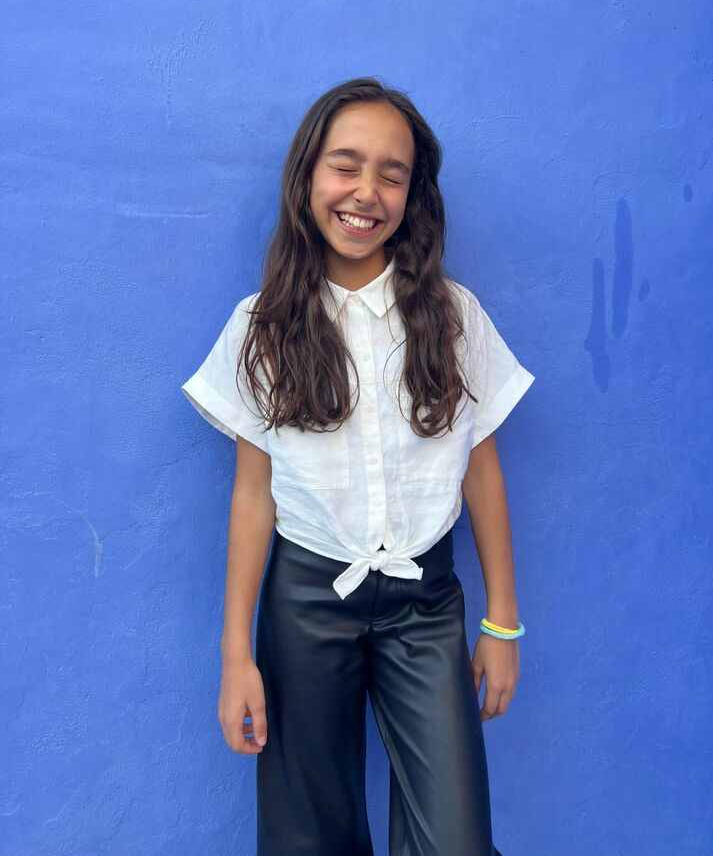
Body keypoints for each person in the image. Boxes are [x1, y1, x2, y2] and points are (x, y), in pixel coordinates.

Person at [180, 77, 535, 856]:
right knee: (309, 836)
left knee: (455, 840)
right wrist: (237, 655)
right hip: (306, 603)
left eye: (391, 174)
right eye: (345, 166)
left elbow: (480, 470)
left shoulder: (452, 317)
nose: (365, 192)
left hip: (425, 605)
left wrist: (501, 622)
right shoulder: (261, 327)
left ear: (414, 195)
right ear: (307, 176)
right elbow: (253, 496)